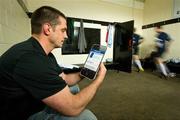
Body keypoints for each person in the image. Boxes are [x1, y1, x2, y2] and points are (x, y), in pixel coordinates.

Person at [0, 6, 107, 120]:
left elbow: (64, 78)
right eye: (63, 30)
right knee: (86, 117)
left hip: (32, 100)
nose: (66, 36)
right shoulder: (32, 60)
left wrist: (83, 72)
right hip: (22, 113)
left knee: (74, 87)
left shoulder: (43, 53)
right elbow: (73, 108)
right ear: (48, 29)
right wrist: (99, 80)